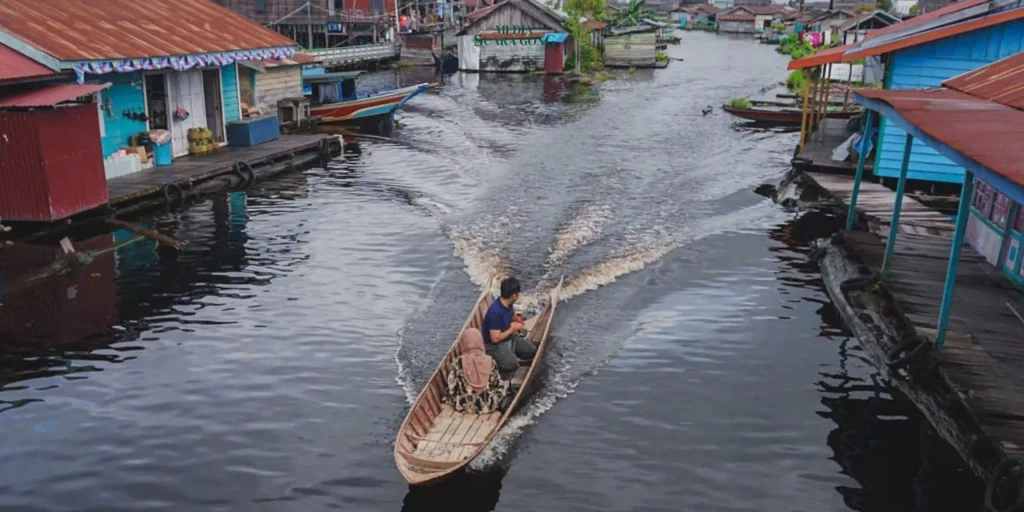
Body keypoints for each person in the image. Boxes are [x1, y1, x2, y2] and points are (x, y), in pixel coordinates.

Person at [443, 328, 512, 414]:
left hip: (463, 406)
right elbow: (496, 383)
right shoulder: (490, 360)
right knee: (503, 386)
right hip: (489, 406)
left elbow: (452, 387)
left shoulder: (458, 362)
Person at [482, 277, 537, 376]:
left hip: (508, 338)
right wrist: (512, 329)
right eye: (517, 294)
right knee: (511, 365)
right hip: (494, 345)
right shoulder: (496, 312)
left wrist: (516, 319)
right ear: (513, 295)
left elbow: (511, 314)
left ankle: (509, 354)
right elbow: (495, 338)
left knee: (531, 351)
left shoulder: (508, 303)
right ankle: (499, 365)